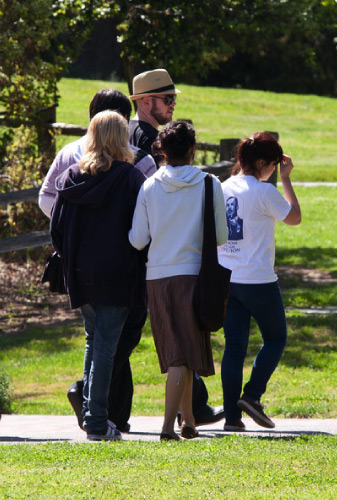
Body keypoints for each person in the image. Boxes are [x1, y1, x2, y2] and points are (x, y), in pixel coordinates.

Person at [39, 89, 155, 433]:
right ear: (121, 138)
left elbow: (56, 227)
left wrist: (73, 257)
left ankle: (93, 412)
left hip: (80, 272)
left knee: (94, 342)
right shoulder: (132, 178)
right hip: (119, 273)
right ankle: (96, 420)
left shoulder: (72, 176)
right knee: (106, 346)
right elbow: (144, 230)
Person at [129, 68, 225, 427]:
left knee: (175, 353)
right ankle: (169, 425)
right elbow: (219, 236)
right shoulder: (208, 183)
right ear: (193, 149)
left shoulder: (150, 186)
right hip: (193, 276)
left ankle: (189, 422)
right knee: (184, 358)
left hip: (157, 278)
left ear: (161, 151)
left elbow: (137, 239)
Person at [217, 133, 301, 432]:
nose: (274, 171)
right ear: (264, 163)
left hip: (227, 276)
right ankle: (251, 396)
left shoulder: (222, 186)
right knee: (276, 338)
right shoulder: (264, 191)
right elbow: (294, 218)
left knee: (234, 347)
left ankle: (231, 417)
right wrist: (287, 180)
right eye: (274, 166)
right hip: (258, 279)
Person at [128, 68, 179, 167]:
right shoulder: (154, 140)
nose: (173, 103)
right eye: (168, 99)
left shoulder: (123, 130)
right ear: (146, 101)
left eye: (174, 97)